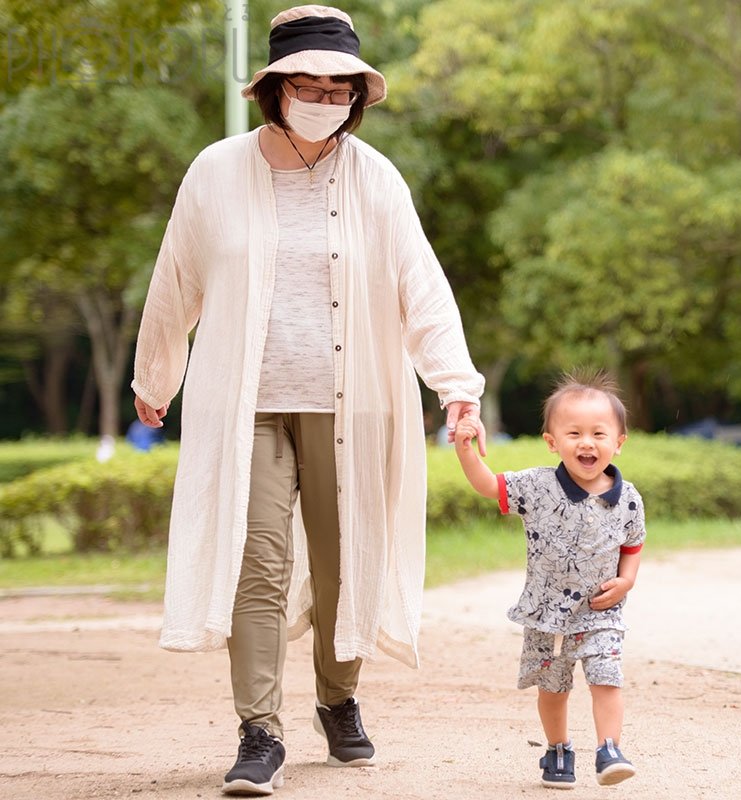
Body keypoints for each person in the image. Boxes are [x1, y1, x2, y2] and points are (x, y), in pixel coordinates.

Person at [129, 5, 484, 795]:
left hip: (352, 404)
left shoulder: (376, 179)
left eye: (338, 86)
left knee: (342, 563)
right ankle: (259, 731)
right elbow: (174, 284)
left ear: (357, 96)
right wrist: (155, 379)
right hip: (244, 402)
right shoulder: (215, 171)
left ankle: (338, 697)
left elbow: (420, 290)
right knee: (257, 562)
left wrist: (457, 389)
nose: (324, 97)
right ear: (274, 87)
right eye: (308, 82)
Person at [453, 370, 644, 788]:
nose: (587, 443)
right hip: (547, 616)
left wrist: (626, 582)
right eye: (573, 433)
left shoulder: (628, 498)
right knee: (553, 688)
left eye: (598, 433)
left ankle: (609, 748)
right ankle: (558, 749)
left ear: (618, 441)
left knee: (606, 677)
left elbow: (633, 544)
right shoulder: (537, 486)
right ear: (552, 441)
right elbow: (488, 485)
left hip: (600, 612)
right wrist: (466, 450)